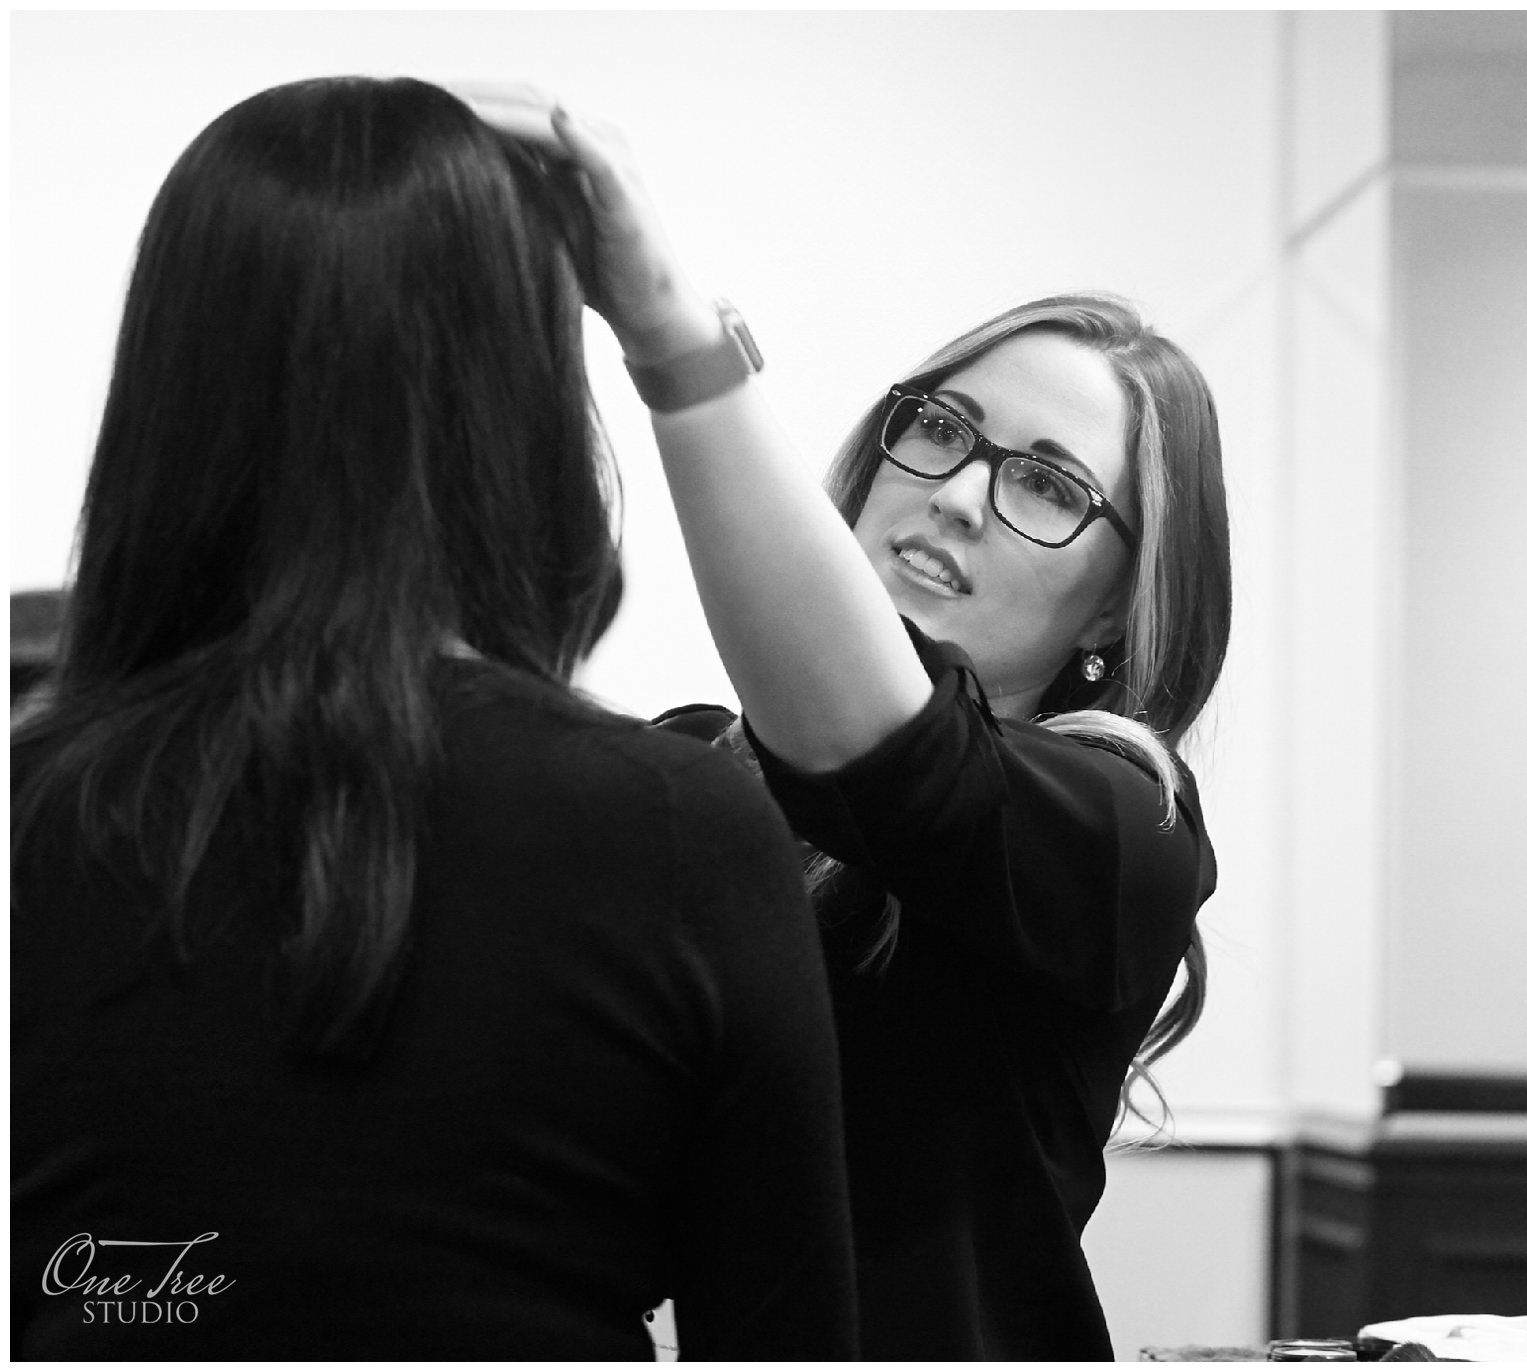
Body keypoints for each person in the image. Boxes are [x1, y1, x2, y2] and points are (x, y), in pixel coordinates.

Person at [10, 77, 856, 1361]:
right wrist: (666, 324)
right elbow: (788, 1339)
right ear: (516, 406)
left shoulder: (31, 811)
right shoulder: (677, 824)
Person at [469, 90, 1233, 1358]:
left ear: (1121, 599)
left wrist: (670, 334)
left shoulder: (1120, 823)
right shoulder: (697, 761)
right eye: (940, 429)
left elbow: (899, 773)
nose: (959, 497)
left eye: (1046, 483)